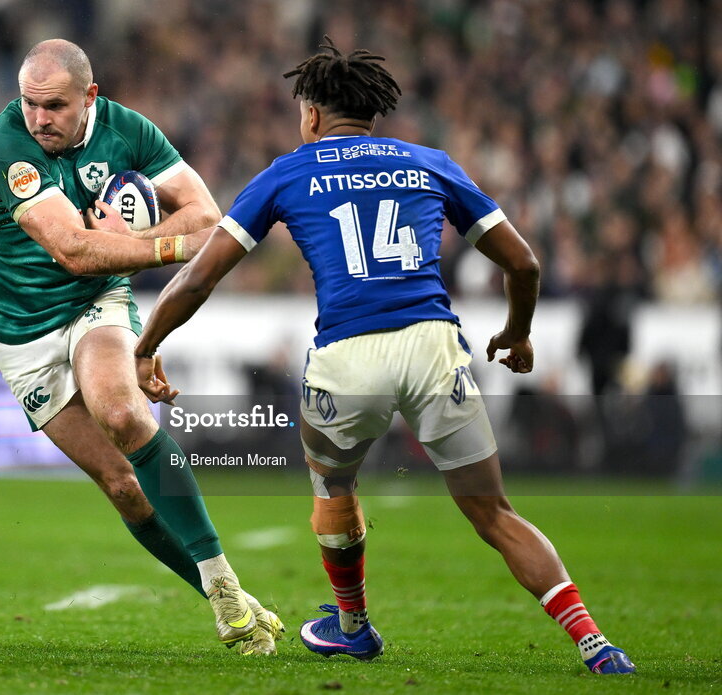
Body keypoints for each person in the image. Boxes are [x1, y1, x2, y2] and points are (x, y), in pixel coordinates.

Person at [134, 37, 634, 674]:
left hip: (347, 354)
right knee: (494, 512)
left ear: (311, 115)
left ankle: (353, 625)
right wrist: (517, 332)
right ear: (373, 113)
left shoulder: (288, 172)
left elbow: (200, 278)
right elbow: (524, 262)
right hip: (432, 346)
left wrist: (148, 345)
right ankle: (596, 643)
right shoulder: (430, 163)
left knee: (332, 482)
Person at [0, 39, 283, 655]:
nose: (39, 120)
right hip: (19, 332)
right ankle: (227, 596)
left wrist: (144, 237)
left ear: (89, 97)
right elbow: (75, 249)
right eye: (29, 104)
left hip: (95, 304)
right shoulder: (7, 147)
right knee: (121, 486)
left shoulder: (128, 131)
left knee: (121, 412)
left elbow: (205, 212)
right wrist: (166, 246)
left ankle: (223, 586)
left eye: (54, 106)